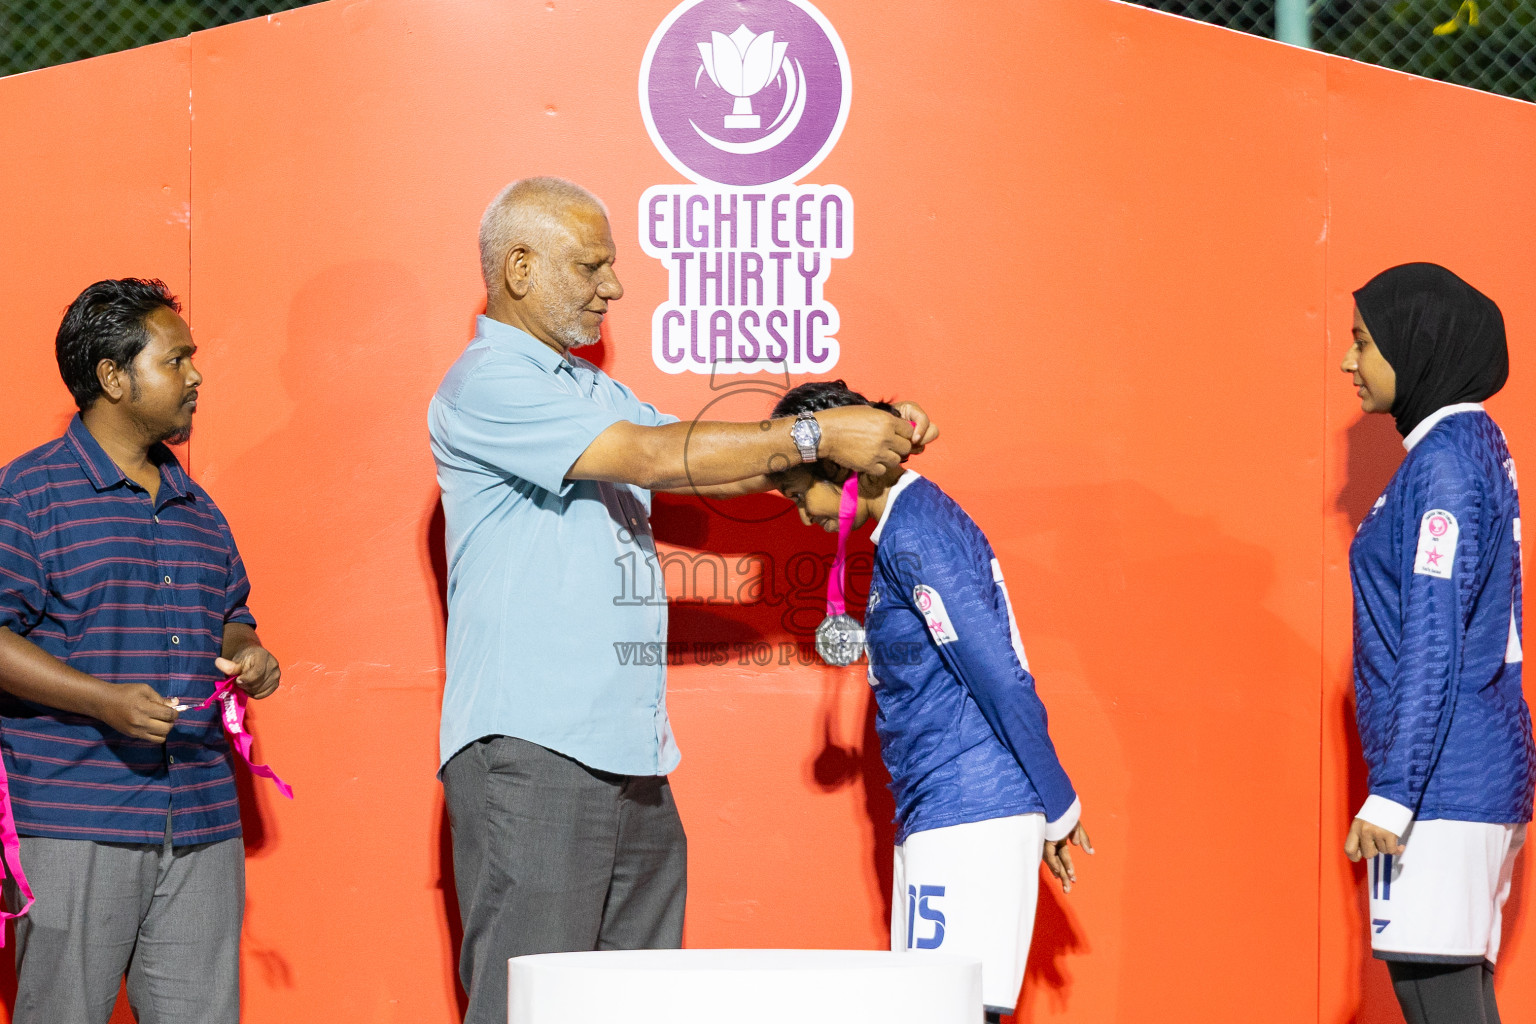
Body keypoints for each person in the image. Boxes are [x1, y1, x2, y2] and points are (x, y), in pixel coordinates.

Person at [429, 177, 939, 1024]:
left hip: (632, 755)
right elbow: (653, 456)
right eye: (592, 266)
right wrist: (815, 434)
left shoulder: (587, 388)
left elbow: (709, 464)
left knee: (633, 1009)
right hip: (535, 748)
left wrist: (867, 435)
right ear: (519, 268)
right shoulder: (487, 382)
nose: (614, 288)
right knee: (526, 1007)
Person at [0, 278, 281, 1024]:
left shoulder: (198, 508)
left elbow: (230, 614)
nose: (196, 376)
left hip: (200, 816)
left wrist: (248, 651)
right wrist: (102, 700)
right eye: (177, 360)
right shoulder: (27, 496)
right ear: (114, 377)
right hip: (73, 816)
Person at [766, 380, 1088, 1021]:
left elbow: (998, 675)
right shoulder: (906, 528)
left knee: (949, 1012)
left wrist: (1057, 803)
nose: (805, 517)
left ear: (840, 465)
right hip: (948, 807)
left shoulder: (918, 535)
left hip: (969, 808)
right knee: (939, 1010)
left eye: (803, 496)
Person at [1340, 263, 1533, 1024]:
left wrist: (1394, 792)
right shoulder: (1464, 446)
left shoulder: (1446, 461)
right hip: (1466, 775)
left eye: (1363, 342)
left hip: (1443, 786)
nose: (1350, 363)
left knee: (1441, 1005)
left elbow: (1434, 637)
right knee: (1449, 1004)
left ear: (1414, 343)